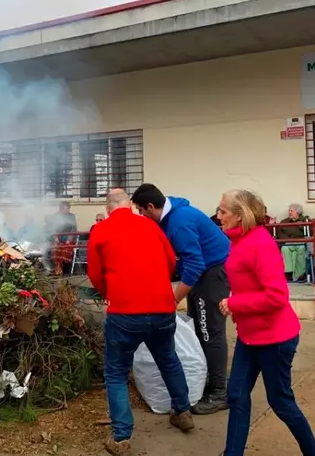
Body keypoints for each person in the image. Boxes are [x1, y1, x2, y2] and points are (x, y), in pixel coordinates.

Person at [88, 189, 194, 455]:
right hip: (161, 309)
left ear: (109, 208)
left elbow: (94, 274)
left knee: (116, 373)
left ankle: (121, 437)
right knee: (169, 360)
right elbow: (171, 261)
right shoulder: (150, 226)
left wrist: (110, 293)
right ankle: (183, 412)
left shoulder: (100, 230)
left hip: (124, 314)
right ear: (130, 206)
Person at [216, 189, 315, 456]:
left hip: (275, 338)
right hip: (250, 335)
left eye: (223, 212)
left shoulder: (260, 243)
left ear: (240, 216)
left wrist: (235, 303)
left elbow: (276, 296)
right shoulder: (237, 239)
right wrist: (235, 295)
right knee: (237, 395)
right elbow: (247, 280)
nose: (218, 216)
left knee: (281, 402)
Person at [131, 183, 230, 415]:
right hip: (201, 272)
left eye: (141, 211)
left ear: (151, 207)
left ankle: (219, 392)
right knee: (197, 328)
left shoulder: (179, 222)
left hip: (212, 273)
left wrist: (173, 300)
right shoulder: (169, 216)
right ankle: (207, 380)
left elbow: (195, 265)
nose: (141, 216)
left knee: (210, 331)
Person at [275, 204, 310, 281]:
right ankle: (288, 273)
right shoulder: (284, 221)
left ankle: (300, 274)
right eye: (289, 211)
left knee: (302, 248)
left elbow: (310, 233)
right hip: (288, 242)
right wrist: (288, 240)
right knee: (284, 248)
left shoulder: (305, 220)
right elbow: (280, 234)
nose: (289, 212)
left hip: (301, 242)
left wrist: (302, 226)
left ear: (298, 212)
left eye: (292, 211)